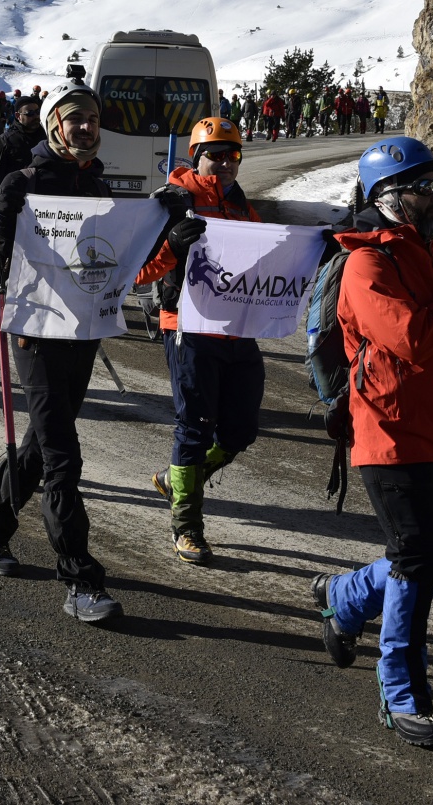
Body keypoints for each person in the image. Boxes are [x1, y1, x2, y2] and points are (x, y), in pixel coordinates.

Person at [0, 81, 174, 624]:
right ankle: (80, 578)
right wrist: (2, 220)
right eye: (74, 118)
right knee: (62, 456)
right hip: (36, 333)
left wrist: (166, 221)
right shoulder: (24, 181)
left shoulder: (96, 184)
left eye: (93, 119)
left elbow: (121, 257)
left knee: (38, 445)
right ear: (54, 124)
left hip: (81, 334)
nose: (86, 126)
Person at [311, 137, 433, 748]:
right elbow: (412, 337)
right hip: (387, 433)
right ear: (389, 196)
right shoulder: (368, 264)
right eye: (425, 187)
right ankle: (401, 690)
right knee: (417, 557)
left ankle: (345, 594)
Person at [136, 117, 264, 564]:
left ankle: (178, 480)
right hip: (188, 327)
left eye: (234, 155)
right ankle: (186, 525)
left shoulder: (241, 204)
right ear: (196, 157)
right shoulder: (170, 202)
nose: (226, 164)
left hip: (236, 328)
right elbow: (136, 270)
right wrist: (171, 243)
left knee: (242, 427)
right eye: (216, 155)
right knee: (194, 427)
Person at [0, 96, 42, 201]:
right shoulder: (6, 140)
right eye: (30, 113)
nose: (36, 116)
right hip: (14, 200)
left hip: (43, 202)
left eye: (37, 112)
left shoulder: (47, 138)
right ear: (18, 116)